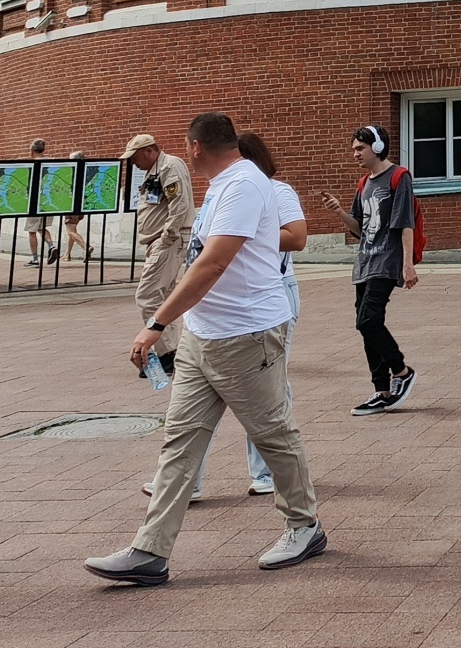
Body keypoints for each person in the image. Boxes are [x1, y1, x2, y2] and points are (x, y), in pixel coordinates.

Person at [86, 112, 324, 586]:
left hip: (246, 334)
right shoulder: (219, 185)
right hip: (203, 333)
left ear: (196, 147)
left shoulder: (243, 186)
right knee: (181, 438)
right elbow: (201, 257)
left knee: (272, 433)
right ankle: (150, 550)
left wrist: (156, 323)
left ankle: (305, 525)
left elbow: (212, 263)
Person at [317, 126, 418, 415]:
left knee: (368, 321)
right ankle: (381, 391)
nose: (355, 154)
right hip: (365, 262)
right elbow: (360, 230)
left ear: (376, 147)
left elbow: (405, 223)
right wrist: (338, 211)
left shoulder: (399, 177)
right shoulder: (364, 184)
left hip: (386, 262)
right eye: (354, 149)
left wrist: (407, 264)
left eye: (360, 148)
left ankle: (401, 371)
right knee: (365, 325)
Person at [236, 131, 306, 498]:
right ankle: (268, 470)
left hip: (277, 290)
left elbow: (297, 237)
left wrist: (248, 233)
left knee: (271, 382)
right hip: (245, 298)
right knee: (258, 382)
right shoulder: (233, 193)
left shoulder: (278, 191)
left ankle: (270, 471)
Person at [124, 133, 195, 369]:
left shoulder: (169, 166)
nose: (134, 163)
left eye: (135, 158)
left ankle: (167, 353)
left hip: (167, 241)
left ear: (149, 151)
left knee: (147, 296)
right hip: (158, 241)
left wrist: (168, 235)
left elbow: (179, 203)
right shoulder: (154, 170)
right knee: (164, 297)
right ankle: (174, 351)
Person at [25, 138, 57, 267]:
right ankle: (51, 245)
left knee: (32, 230)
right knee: (42, 228)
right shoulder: (52, 163)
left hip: (35, 201)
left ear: (32, 150)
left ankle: (35, 259)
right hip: (48, 201)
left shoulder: (32, 165)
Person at [61, 150, 90, 264]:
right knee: (72, 230)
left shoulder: (71, 173)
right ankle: (67, 254)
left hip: (71, 205)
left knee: (70, 231)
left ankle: (85, 247)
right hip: (81, 205)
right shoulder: (85, 172)